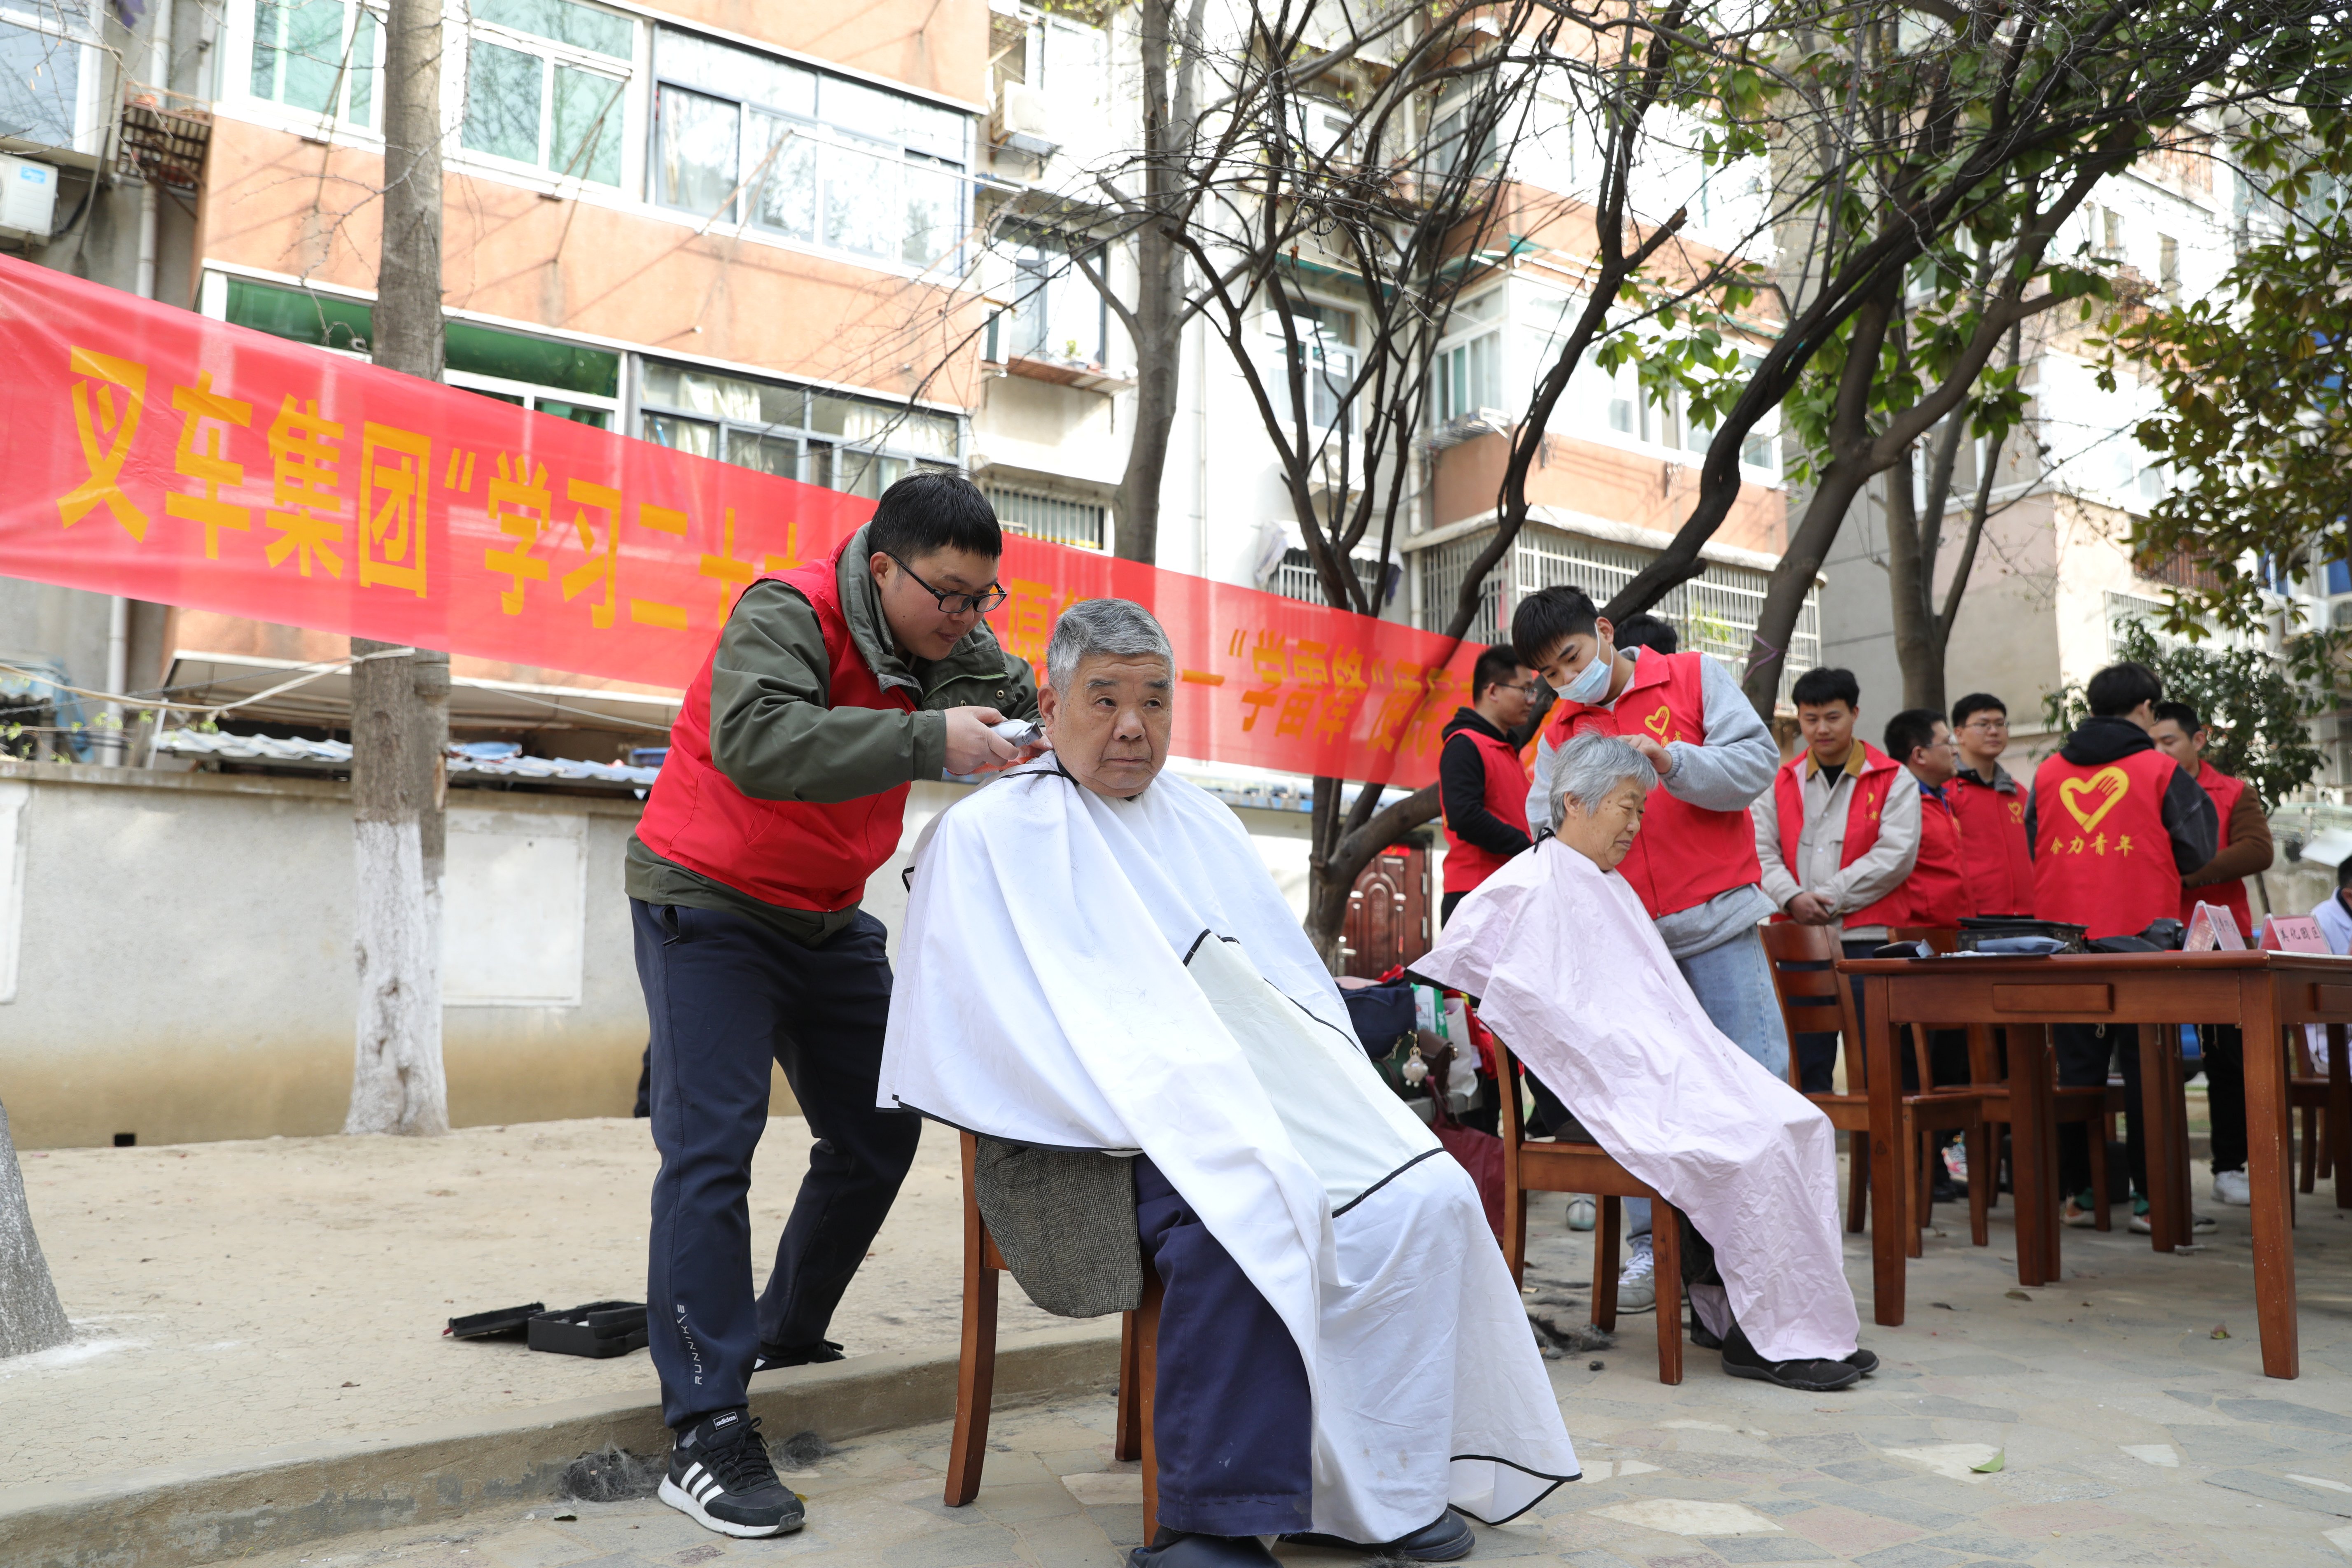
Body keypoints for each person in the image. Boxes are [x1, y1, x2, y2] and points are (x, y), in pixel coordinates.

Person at [882, 600, 1578, 1568]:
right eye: (1105, 699)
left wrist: (1280, 1086)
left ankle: (1379, 1487)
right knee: (1249, 1200)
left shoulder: (1201, 821)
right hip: (1081, 1136)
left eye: (1155, 701)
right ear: (1050, 700)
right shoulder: (987, 837)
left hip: (1239, 1102)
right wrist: (1162, 1092)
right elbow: (980, 1038)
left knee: (1426, 1191)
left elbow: (1279, 993)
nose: (1134, 726)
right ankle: (1210, 1521)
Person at [628, 472, 1041, 1538]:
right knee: (711, 1149)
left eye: (982, 598)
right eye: (948, 594)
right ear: (883, 566)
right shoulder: (788, 612)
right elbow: (761, 741)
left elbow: (1029, 699)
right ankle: (706, 1427)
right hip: (708, 903)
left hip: (823, 915)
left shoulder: (953, 641)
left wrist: (1089, 723)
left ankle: (779, 1329)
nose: (966, 618)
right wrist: (928, 741)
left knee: (879, 1126)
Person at [1418, 732, 1872, 1393]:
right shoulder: (1525, 887)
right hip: (1586, 1093)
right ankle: (1765, 1336)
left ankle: (1759, 1319)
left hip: (1643, 1073)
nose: (1636, 825)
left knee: (1798, 1124)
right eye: (1626, 808)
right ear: (1575, 802)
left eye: (1641, 810)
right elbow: (1510, 996)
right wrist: (1633, 1066)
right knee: (1743, 1144)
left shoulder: (1607, 886)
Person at [1514, 586, 1785, 1316]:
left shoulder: (1692, 676)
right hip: (1628, 948)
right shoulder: (1561, 734)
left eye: (1573, 658)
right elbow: (1546, 831)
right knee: (1640, 1104)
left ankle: (1765, 1258)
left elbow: (1755, 764)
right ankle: (1652, 1249)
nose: (1567, 681)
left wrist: (1672, 762)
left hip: (1718, 921)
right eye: (1551, 675)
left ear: (1604, 631)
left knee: (1755, 1086)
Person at [2025, 661, 2217, 1232]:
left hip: (2064, 946)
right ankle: (2152, 1203)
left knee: (2076, 1073)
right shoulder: (2160, 770)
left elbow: (2036, 843)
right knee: (2149, 1072)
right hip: (2144, 947)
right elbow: (2199, 850)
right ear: (2147, 709)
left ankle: (2081, 1197)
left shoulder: (2047, 773)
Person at [1752, 668, 1920, 1093]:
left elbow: (1896, 854)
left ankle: (1882, 1141)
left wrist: (1828, 897)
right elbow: (1759, 850)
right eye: (1811, 719)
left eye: (1833, 717)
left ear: (1854, 714)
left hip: (1871, 942)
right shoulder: (1779, 781)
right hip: (1798, 941)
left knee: (1883, 1066)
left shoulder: (1893, 777)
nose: (1822, 729)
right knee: (1805, 1067)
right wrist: (1792, 897)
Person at [2150, 700, 2275, 1209]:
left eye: (2169, 741)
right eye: (2151, 743)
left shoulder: (2233, 791)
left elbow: (2258, 849)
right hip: (2153, 934)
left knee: (2226, 1057)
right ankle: (2154, 1177)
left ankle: (2230, 1167)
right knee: (2150, 1056)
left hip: (2221, 936)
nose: (2159, 752)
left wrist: (2186, 876)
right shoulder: (2141, 791)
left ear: (2198, 740)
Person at [1438, 645, 1539, 925]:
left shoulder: (1507, 750)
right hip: (1477, 893)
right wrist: (1527, 846)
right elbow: (1465, 816)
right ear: (1493, 691)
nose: (1532, 700)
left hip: (1506, 889)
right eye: (1525, 690)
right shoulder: (1465, 744)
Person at [1946, 693, 2034, 917]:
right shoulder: (1946, 791)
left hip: (2029, 915)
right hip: (1973, 917)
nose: (1994, 731)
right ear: (1959, 734)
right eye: (1983, 725)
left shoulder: (2019, 793)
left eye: (2000, 724)